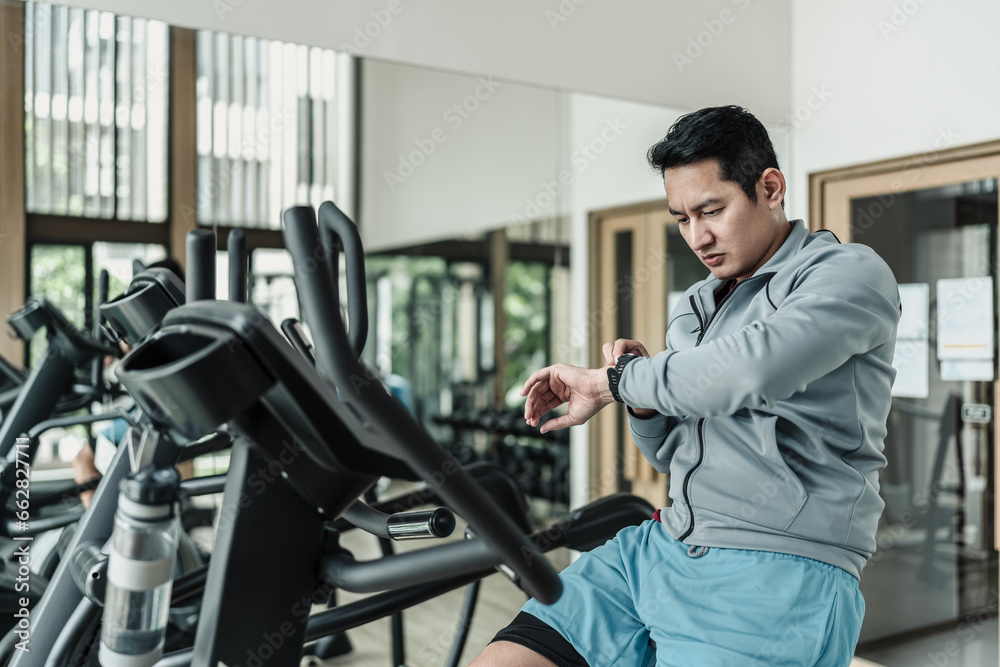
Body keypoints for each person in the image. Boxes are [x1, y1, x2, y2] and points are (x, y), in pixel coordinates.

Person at [471, 105, 900, 666]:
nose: (697, 236)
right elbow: (672, 450)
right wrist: (644, 404)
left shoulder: (846, 274)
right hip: (660, 547)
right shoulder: (697, 303)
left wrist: (619, 383)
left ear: (769, 188)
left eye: (711, 210)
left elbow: (750, 370)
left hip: (776, 568)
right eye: (681, 219)